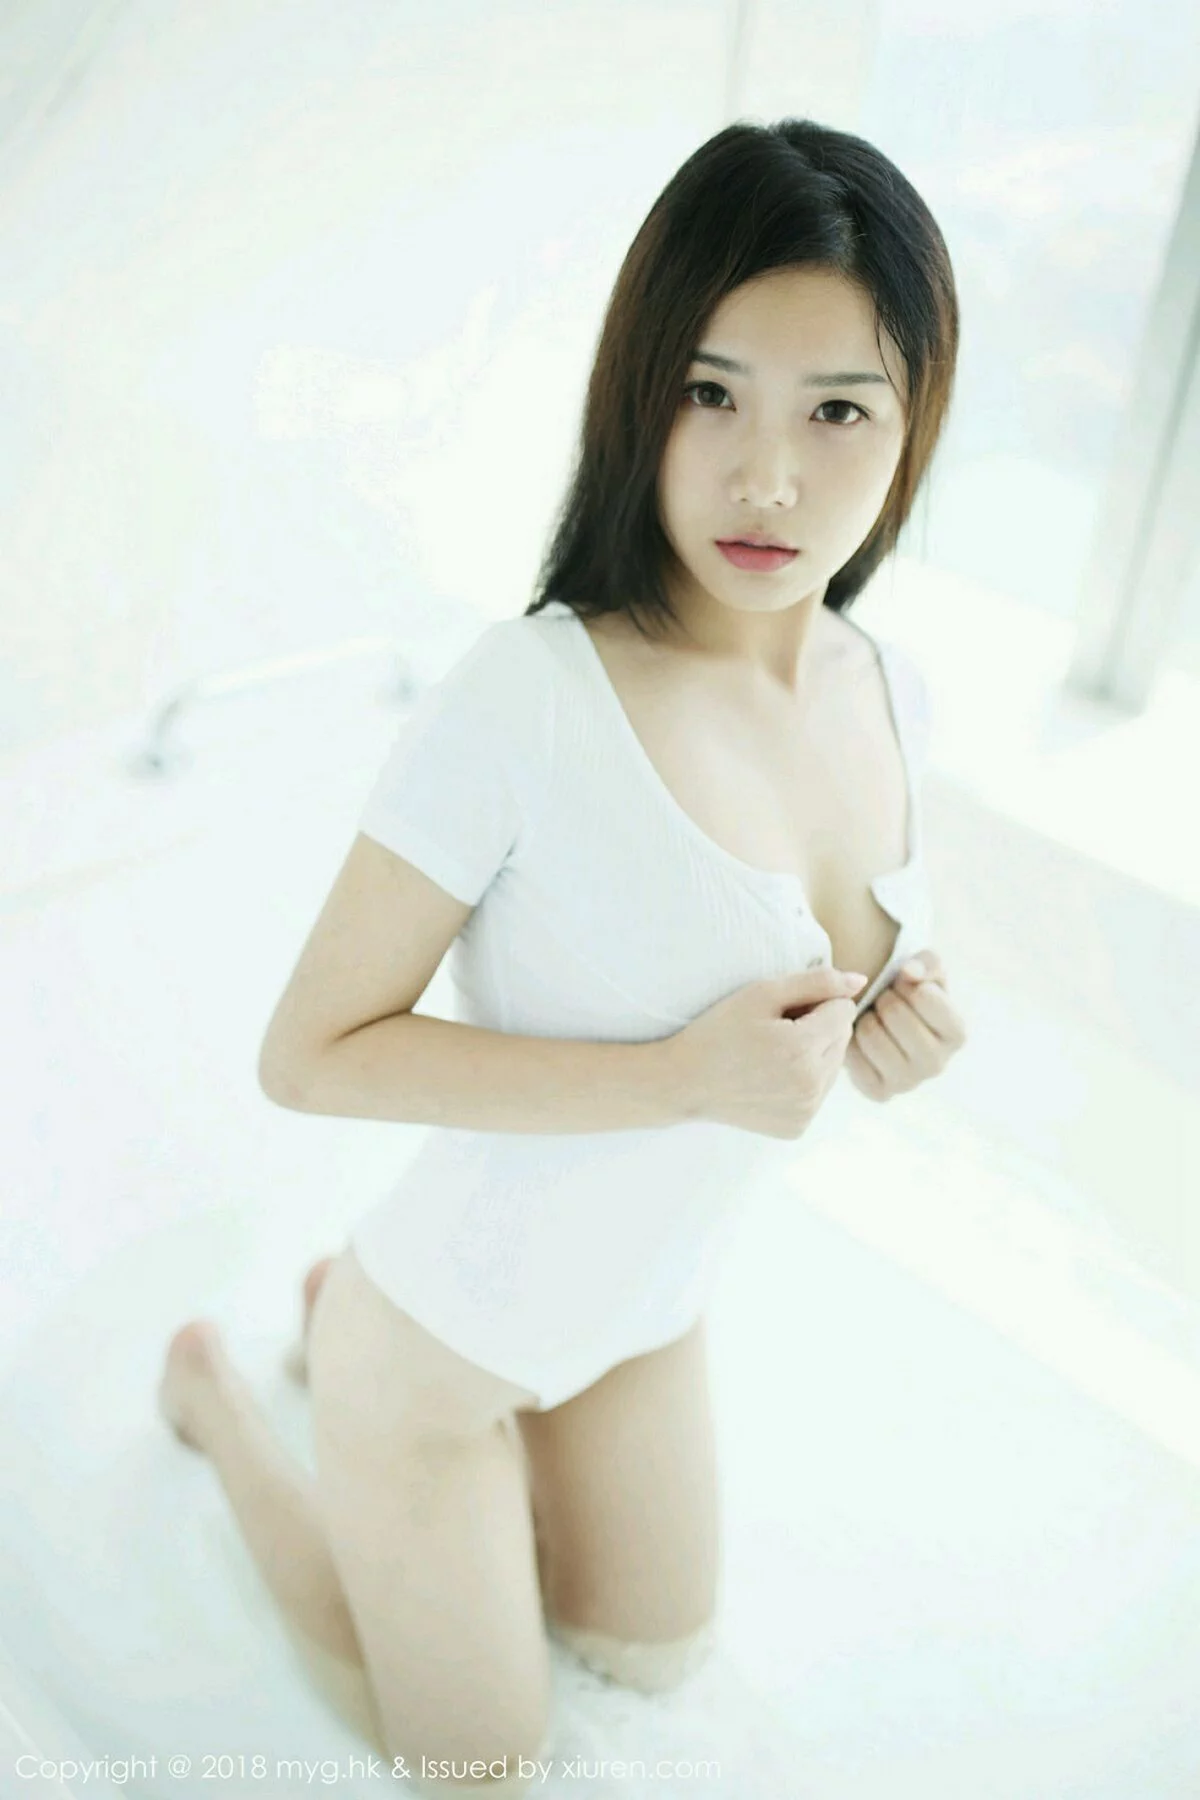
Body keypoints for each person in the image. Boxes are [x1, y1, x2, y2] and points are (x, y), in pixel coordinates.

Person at [158, 116, 969, 1794]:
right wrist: (681, 1077)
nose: (767, 477)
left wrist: (904, 1032)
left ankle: (340, 1345)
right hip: (445, 1346)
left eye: (836, 412)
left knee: (650, 1664)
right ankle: (231, 1401)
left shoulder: (890, 687)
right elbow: (307, 1054)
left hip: (647, 1313)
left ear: (912, 428)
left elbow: (792, 977)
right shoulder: (531, 696)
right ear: (638, 394)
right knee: (478, 1770)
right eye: (712, 394)